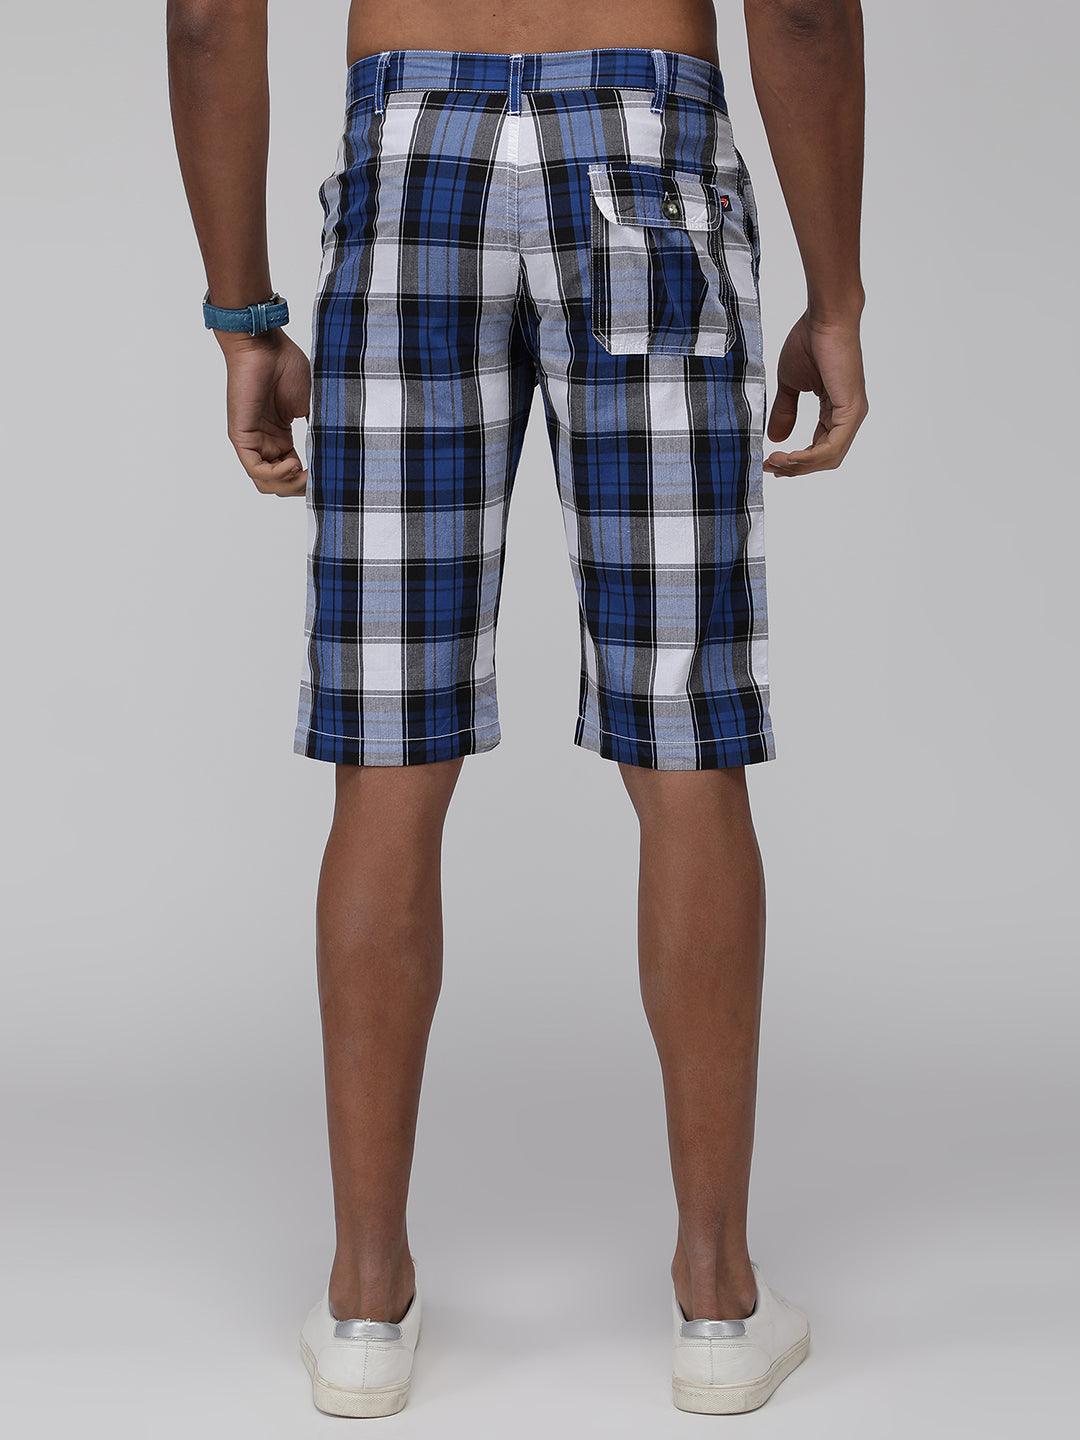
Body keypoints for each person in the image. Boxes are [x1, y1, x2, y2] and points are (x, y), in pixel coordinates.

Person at [168, 0, 867, 1417]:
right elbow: (800, 9)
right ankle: (718, 1303)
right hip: (647, 154)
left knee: (388, 747)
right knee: (685, 735)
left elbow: (204, 16)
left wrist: (243, 314)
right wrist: (837, 296)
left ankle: (366, 1304)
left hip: (410, 159)